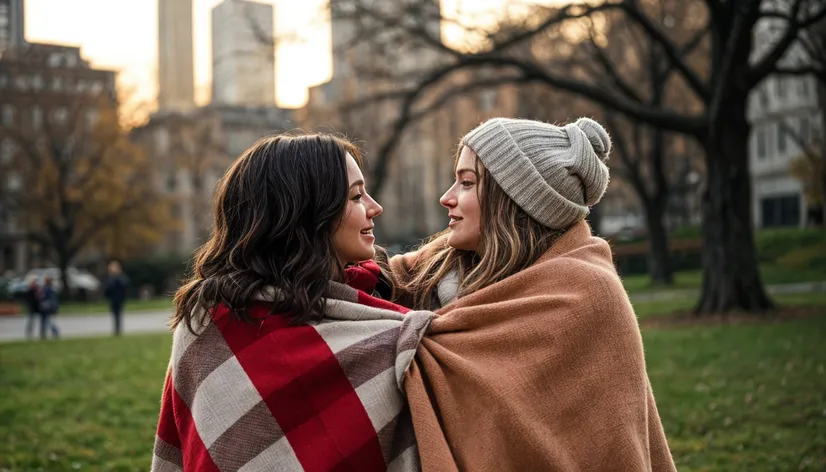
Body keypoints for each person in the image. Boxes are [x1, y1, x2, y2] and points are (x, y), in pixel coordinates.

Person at [388, 118, 676, 471]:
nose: (446, 198)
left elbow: (608, 448)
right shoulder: (428, 274)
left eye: (466, 183)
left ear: (514, 200)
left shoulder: (588, 295)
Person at [151, 132, 432, 472]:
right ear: (308, 213)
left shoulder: (379, 300)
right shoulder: (212, 326)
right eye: (356, 196)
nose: (375, 207)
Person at [103, 260, 129, 336]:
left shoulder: (121, 277)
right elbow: (107, 287)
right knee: (114, 314)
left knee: (118, 314)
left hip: (120, 298)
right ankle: (116, 330)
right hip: (112, 299)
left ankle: (118, 330)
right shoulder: (110, 278)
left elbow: (125, 284)